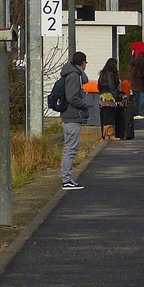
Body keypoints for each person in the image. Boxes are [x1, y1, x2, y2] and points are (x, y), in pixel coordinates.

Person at [60, 52, 90, 190]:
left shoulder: (71, 74)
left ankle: (67, 179)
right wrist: (84, 104)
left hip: (69, 117)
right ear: (82, 63)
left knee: (69, 148)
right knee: (70, 149)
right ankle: (67, 180)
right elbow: (72, 97)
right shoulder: (74, 76)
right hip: (72, 116)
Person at [98, 57, 123, 141]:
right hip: (109, 96)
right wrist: (117, 97)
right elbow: (112, 86)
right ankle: (110, 134)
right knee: (110, 115)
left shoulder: (102, 74)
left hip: (102, 96)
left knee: (105, 115)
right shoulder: (110, 74)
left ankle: (105, 135)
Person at [129, 52, 144, 119]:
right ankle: (139, 111)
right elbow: (141, 74)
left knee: (136, 98)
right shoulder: (140, 64)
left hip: (133, 83)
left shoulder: (133, 64)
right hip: (139, 84)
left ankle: (136, 111)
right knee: (142, 97)